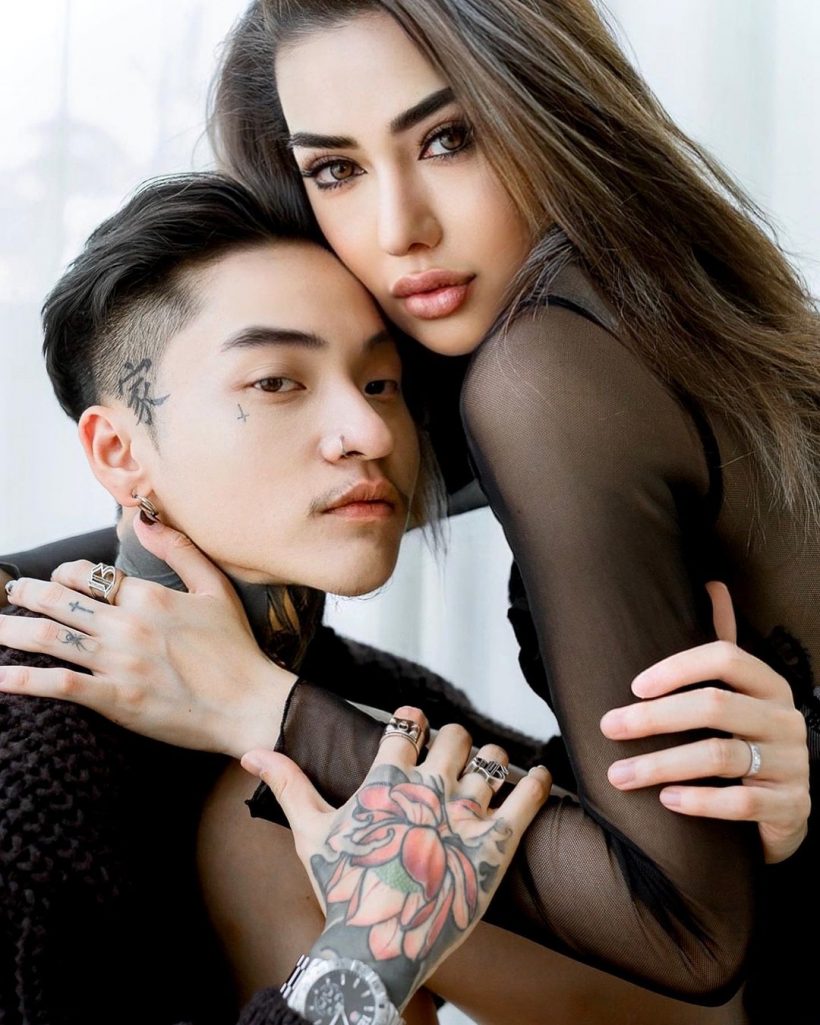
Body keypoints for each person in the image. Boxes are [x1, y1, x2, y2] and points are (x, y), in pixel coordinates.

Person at [1, 0, 815, 1021]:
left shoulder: (544, 366)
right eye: (334, 168)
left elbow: (685, 929)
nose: (398, 229)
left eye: (449, 138)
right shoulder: (32, 767)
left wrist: (772, 791)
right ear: (116, 451)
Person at [0, 170, 552, 1024]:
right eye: (275, 382)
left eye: (381, 383)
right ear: (119, 451)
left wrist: (755, 768)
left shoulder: (379, 704)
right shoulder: (26, 752)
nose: (370, 433)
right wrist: (363, 962)